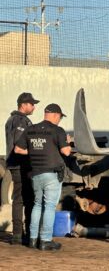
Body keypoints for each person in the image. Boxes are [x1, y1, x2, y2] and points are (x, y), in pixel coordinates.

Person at [14, 103, 71, 251]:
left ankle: (33, 239)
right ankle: (45, 240)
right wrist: (69, 142)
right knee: (50, 207)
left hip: (35, 174)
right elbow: (66, 152)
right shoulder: (57, 130)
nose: (59, 120)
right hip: (51, 174)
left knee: (37, 205)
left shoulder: (30, 129)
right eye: (60, 117)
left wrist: (33, 152)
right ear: (55, 115)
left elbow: (18, 149)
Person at [5, 92, 40, 245]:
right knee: (23, 199)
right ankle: (20, 234)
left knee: (22, 199)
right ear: (23, 104)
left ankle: (20, 233)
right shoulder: (20, 121)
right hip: (20, 164)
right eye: (32, 104)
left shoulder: (12, 119)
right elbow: (20, 144)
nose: (34, 107)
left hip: (16, 164)